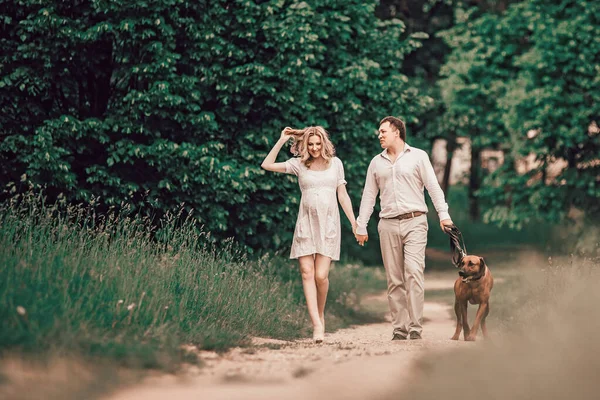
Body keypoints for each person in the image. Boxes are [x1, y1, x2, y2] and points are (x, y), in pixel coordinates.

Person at [354, 116, 453, 341]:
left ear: (397, 132)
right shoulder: (376, 163)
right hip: (387, 224)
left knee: (414, 272)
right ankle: (400, 328)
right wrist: (362, 225)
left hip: (415, 221)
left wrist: (444, 215)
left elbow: (433, 188)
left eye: (383, 131)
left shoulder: (418, 156)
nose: (379, 135)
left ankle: (415, 326)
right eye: (379, 132)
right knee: (394, 279)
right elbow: (369, 196)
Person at [261, 126, 356, 343]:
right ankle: (316, 325)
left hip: (329, 225)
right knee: (306, 272)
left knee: (321, 276)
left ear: (324, 143)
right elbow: (266, 165)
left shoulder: (336, 164)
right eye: (310, 144)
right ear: (305, 145)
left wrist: (354, 222)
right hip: (306, 225)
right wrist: (281, 140)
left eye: (317, 144)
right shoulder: (299, 164)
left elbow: (342, 195)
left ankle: (319, 315)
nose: (314, 148)